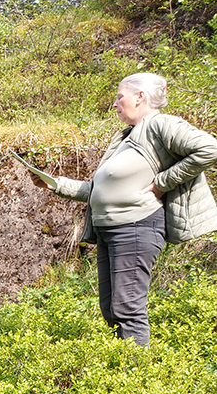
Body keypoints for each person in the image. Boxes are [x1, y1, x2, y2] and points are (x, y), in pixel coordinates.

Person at [34, 72, 217, 346]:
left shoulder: (160, 125)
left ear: (140, 97)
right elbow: (98, 190)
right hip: (110, 229)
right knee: (111, 309)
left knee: (127, 309)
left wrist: (163, 183)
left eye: (120, 97)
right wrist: (55, 185)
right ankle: (122, 368)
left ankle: (136, 374)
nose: (116, 104)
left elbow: (209, 149)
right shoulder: (126, 137)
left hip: (135, 227)